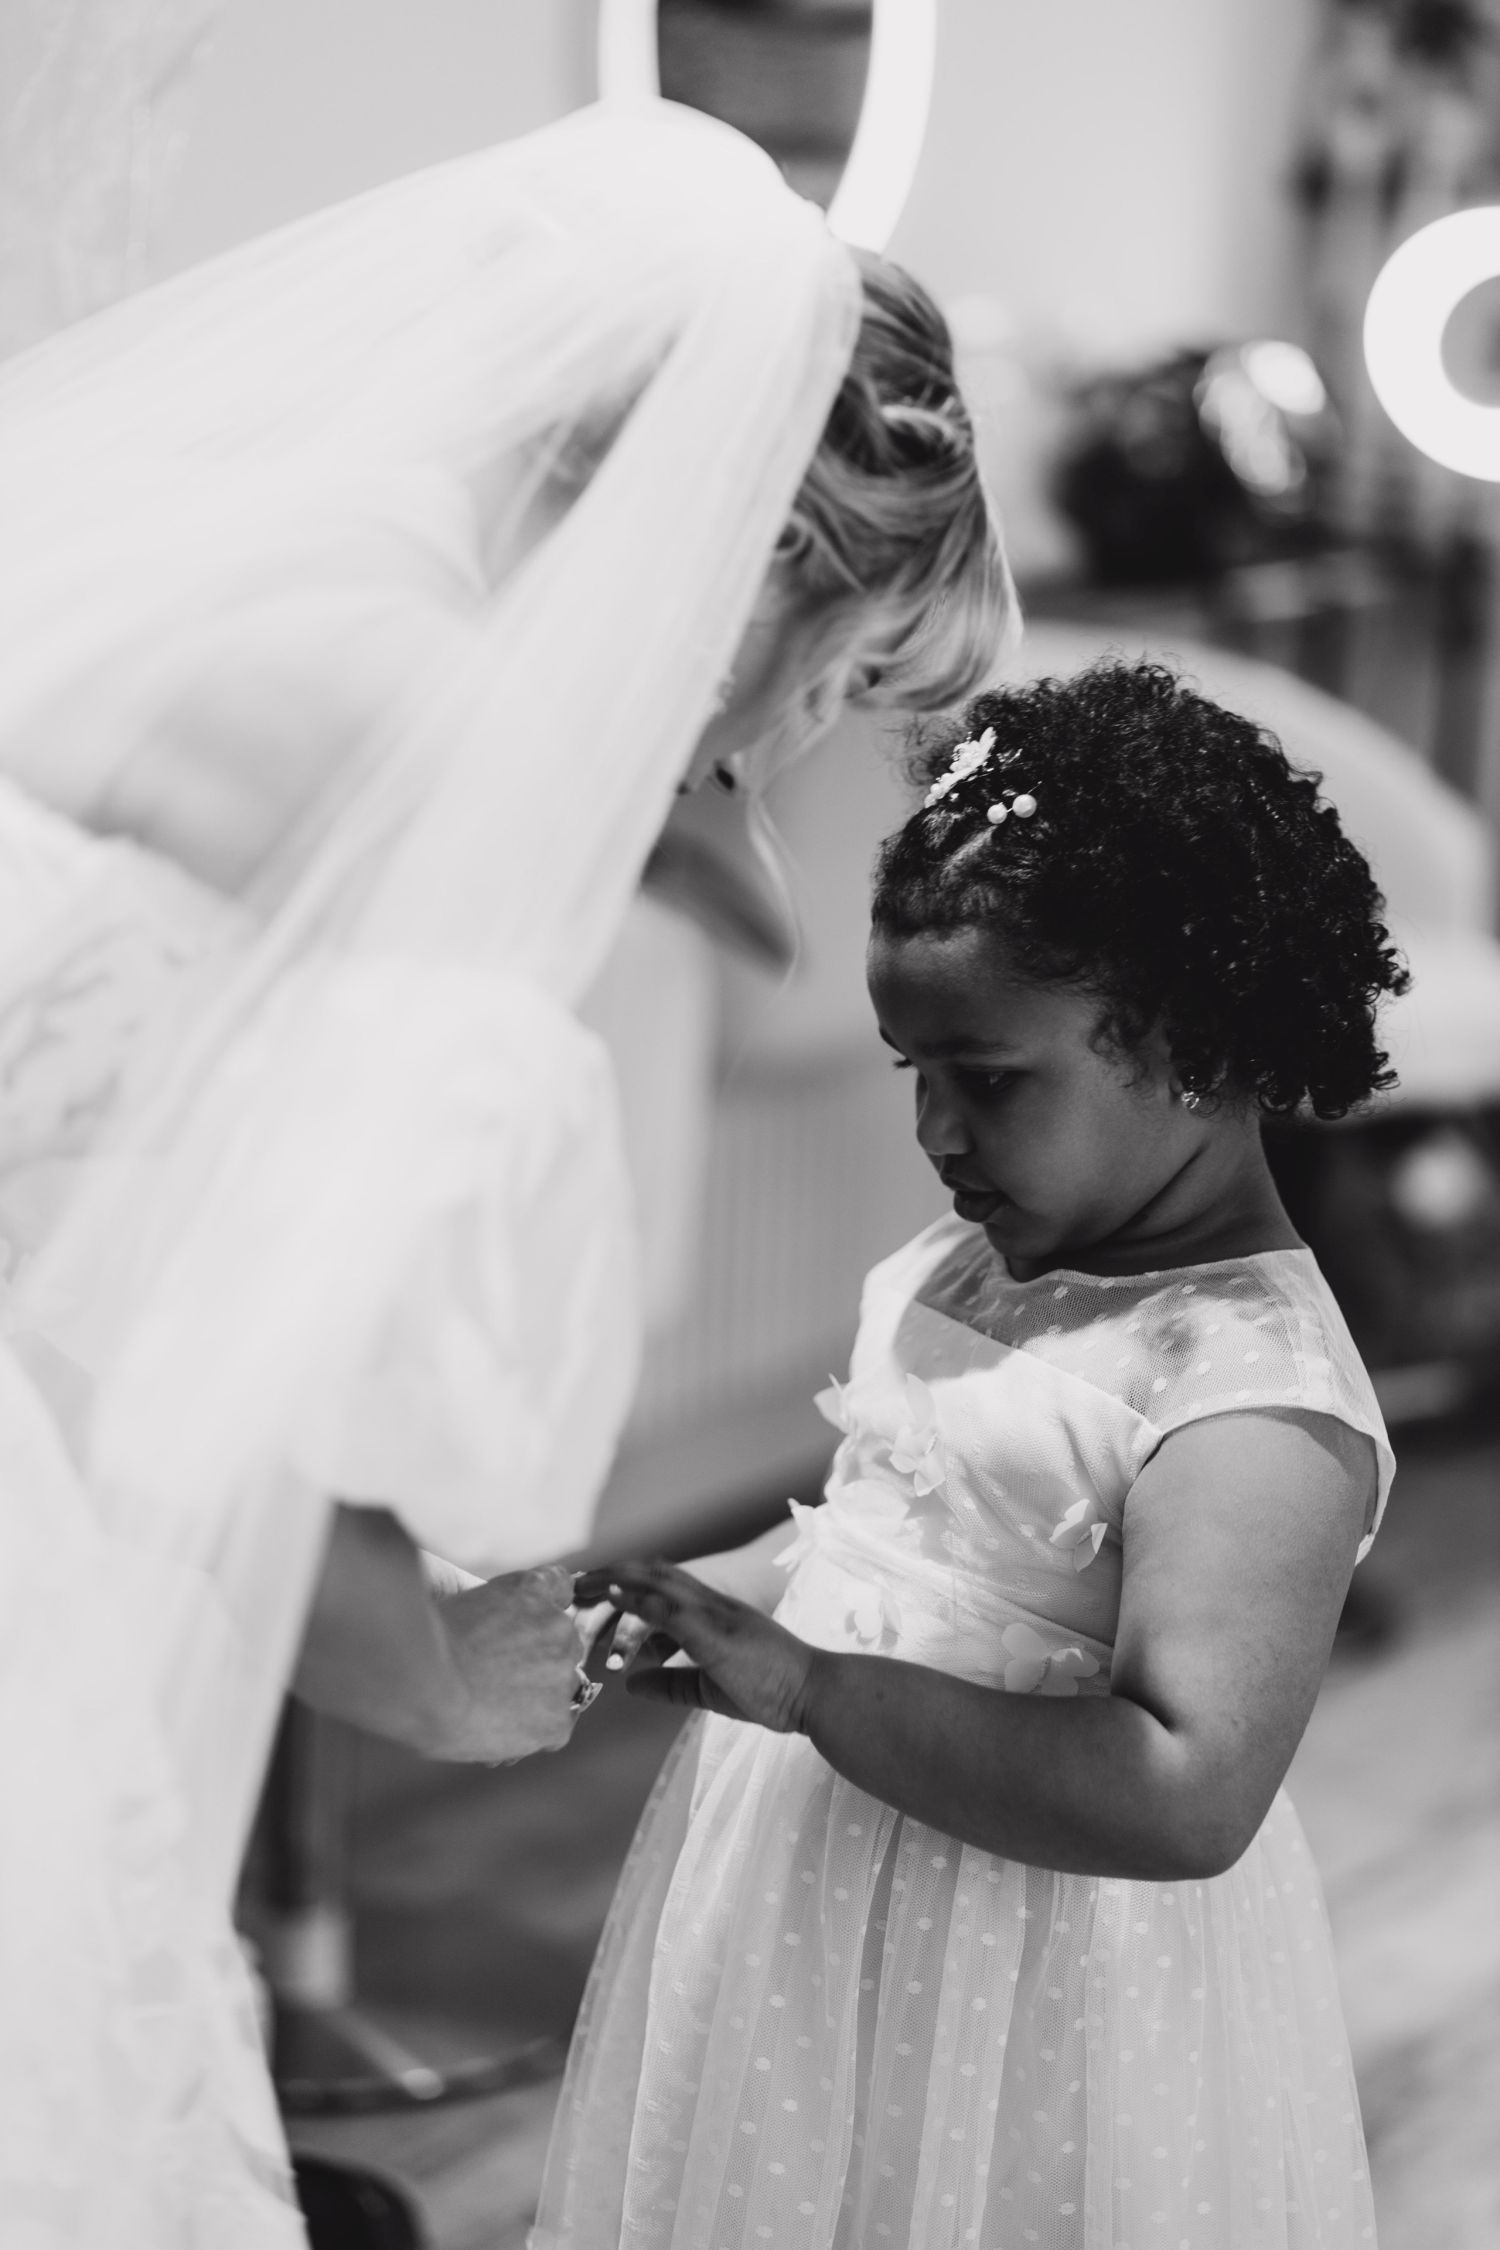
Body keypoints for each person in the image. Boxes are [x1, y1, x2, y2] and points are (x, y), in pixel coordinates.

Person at [0, 99, 1010, 2244]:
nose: (767, 758)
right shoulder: (423, 739)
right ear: (741, 548)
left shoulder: (257, 547)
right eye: (827, 683)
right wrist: (435, 1670)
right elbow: (184, 1373)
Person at [553, 657, 1403, 2250]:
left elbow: (1185, 1790)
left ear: (1196, 1041)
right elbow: (879, 1548)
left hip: (1039, 1977)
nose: (937, 1135)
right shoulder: (985, 1260)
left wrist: (809, 1690)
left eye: (992, 1080)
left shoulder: (1249, 1393)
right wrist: (695, 1604)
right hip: (820, 1913)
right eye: (916, 1074)